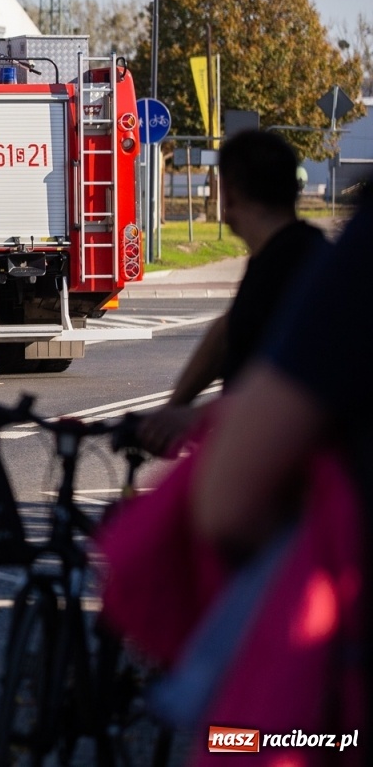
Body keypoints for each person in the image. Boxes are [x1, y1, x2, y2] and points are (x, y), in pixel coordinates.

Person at [191, 186, 370, 743]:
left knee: (246, 732)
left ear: (231, 201)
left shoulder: (354, 259)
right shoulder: (313, 253)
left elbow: (229, 501)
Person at [139, 130, 326, 455]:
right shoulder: (281, 253)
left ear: (229, 194)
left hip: (283, 458)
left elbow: (294, 382)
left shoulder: (293, 262)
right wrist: (172, 409)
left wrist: (193, 416)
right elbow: (226, 331)